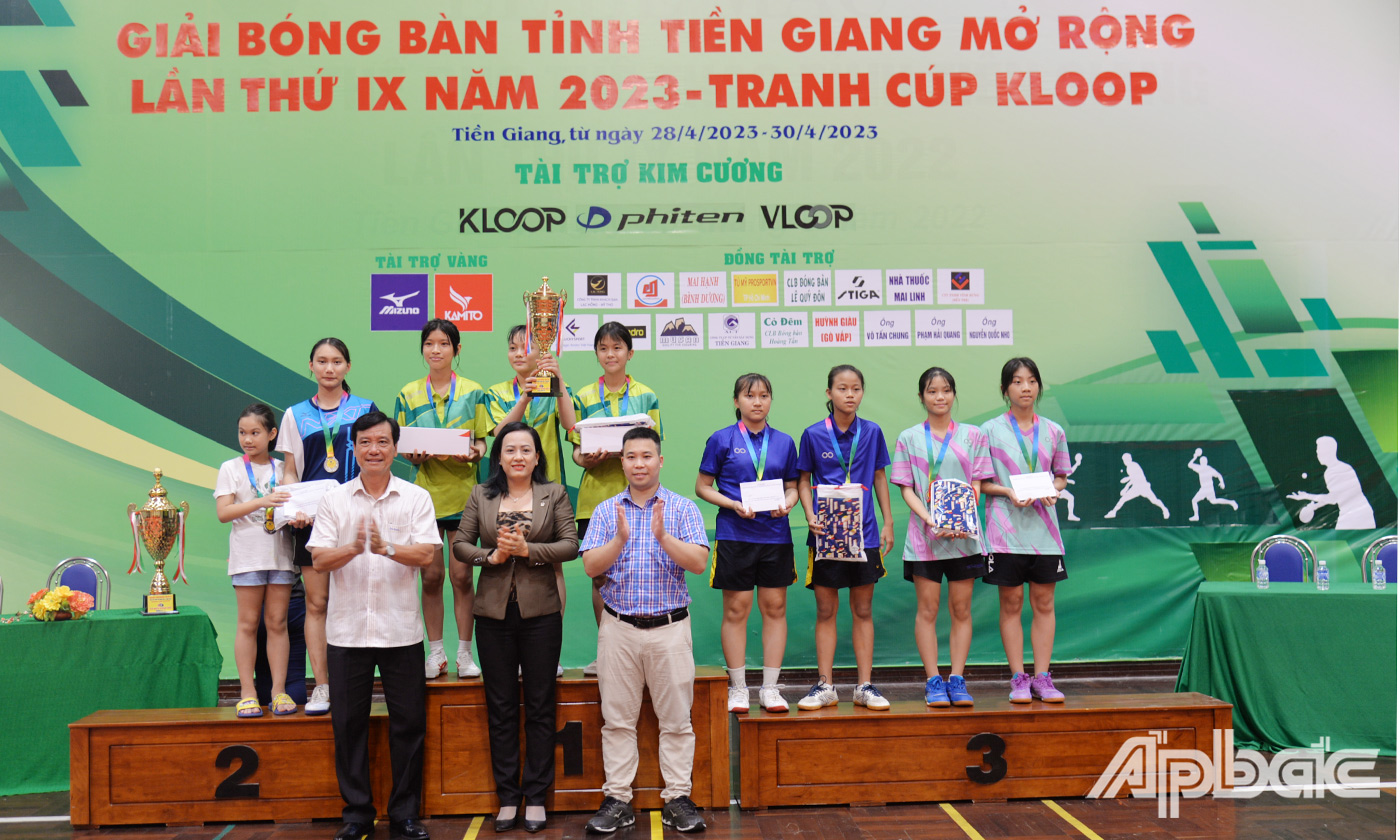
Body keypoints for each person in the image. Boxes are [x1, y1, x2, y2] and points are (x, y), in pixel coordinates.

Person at [308, 412, 438, 840]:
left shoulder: (416, 497)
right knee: (348, 725)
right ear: (354, 448)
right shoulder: (334, 500)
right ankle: (357, 814)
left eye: (383, 442)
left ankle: (405, 813)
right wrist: (353, 547)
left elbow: (426, 555)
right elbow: (319, 559)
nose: (374, 450)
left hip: (401, 632)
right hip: (347, 634)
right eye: (365, 442)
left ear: (395, 448)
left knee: (409, 725)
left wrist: (388, 548)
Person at [451, 421, 579, 834]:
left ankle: (536, 796)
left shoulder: (554, 493)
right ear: (499, 458)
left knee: (540, 707)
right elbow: (460, 544)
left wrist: (528, 550)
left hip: (541, 614)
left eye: (526, 450)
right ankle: (508, 796)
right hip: (492, 616)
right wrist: (491, 557)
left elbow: (570, 545)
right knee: (501, 707)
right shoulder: (481, 494)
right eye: (510, 450)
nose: (518, 456)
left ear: (537, 457)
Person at [580, 428, 708, 834]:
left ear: (660, 461)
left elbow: (699, 563)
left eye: (647, 456)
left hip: (670, 628)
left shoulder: (682, 508)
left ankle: (678, 799)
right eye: (632, 457)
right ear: (622, 462)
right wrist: (620, 539)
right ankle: (618, 799)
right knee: (617, 721)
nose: (639, 464)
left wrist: (663, 537)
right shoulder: (606, 511)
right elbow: (591, 566)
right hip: (619, 628)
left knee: (677, 720)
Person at [278, 337, 379, 715]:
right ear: (311, 366)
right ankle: (322, 686)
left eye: (337, 361)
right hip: (312, 522)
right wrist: (294, 509)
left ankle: (355, 684)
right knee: (317, 603)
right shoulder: (295, 414)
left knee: (356, 601)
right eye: (322, 361)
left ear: (347, 367)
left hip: (357, 517)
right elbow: (291, 470)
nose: (329, 368)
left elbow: (376, 457)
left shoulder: (365, 409)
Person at [694, 373, 799, 714]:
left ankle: (770, 688)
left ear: (770, 400)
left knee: (775, 609)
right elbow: (702, 487)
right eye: (750, 395)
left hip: (775, 536)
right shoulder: (721, 439)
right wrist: (733, 504)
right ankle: (738, 688)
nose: (757, 402)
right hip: (735, 535)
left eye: (764, 395)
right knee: (736, 610)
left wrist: (788, 503)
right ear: (736, 401)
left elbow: (793, 487)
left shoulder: (784, 442)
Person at [393, 319, 490, 680]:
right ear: (422, 349)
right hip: (424, 501)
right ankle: (435, 654)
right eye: (429, 344)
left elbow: (481, 441)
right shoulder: (408, 393)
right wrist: (412, 455)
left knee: (462, 577)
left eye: (444, 344)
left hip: (465, 498)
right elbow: (402, 446)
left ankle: (464, 654)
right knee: (431, 578)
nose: (436, 350)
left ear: (456, 349)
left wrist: (474, 453)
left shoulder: (474, 391)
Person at [795, 365, 895, 712]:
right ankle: (825, 686)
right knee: (826, 610)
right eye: (842, 388)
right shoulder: (813, 434)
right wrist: (809, 515)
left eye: (856, 388)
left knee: (863, 609)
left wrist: (887, 522)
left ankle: (864, 686)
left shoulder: (872, 431)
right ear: (829, 393)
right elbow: (803, 480)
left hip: (864, 535)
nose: (849, 394)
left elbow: (879, 476)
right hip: (826, 535)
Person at [890, 367, 992, 707]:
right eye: (932, 391)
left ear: (954, 394)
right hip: (924, 540)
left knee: (962, 609)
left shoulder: (973, 435)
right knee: (928, 610)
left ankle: (957, 680)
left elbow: (977, 482)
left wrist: (962, 517)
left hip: (964, 538)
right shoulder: (908, 438)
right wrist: (930, 519)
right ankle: (933, 681)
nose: (940, 397)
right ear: (921, 397)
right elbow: (906, 488)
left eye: (946, 390)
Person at [484, 325, 579, 677]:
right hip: (507, 491)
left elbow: (571, 426)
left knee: (552, 565)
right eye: (512, 348)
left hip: (548, 488)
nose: (518, 354)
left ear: (542, 352)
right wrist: (523, 397)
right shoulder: (496, 392)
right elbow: (498, 435)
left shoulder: (556, 388)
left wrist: (559, 380)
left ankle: (549, 653)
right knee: (508, 564)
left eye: (525, 348)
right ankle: (514, 651)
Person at [568, 321, 662, 676]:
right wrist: (587, 459)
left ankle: (640, 651)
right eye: (604, 348)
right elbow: (576, 451)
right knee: (600, 577)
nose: (611, 354)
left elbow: (653, 446)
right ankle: (606, 650)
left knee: (638, 569)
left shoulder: (647, 395)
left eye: (617, 348)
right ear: (596, 354)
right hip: (594, 500)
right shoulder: (583, 397)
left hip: (639, 499)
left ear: (630, 353)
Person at [979, 357, 1072, 704]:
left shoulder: (1053, 431)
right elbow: (981, 483)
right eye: (1017, 381)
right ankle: (1019, 678)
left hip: (1045, 533)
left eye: (1032, 381)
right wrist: (1008, 491)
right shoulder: (989, 431)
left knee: (1044, 602)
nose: (1026, 388)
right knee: (1012, 602)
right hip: (1004, 532)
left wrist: (1053, 489)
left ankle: (1043, 678)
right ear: (1005, 389)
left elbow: (1061, 476)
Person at [215, 403, 301, 718]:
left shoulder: (283, 470)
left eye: (255, 433)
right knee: (248, 623)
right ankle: (247, 693)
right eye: (242, 433)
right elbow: (224, 512)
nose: (247, 439)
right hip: (247, 558)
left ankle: (278, 691)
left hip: (281, 557)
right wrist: (262, 501)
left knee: (277, 624)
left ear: (272, 434)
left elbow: (294, 509)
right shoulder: (231, 468)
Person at [1287, 435, 1376, 528]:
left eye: (1319, 451)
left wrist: (1306, 496)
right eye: (1317, 451)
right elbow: (1339, 495)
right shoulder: (1341, 467)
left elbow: (1333, 499)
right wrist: (1315, 506)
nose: (1317, 454)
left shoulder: (1333, 471)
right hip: (1358, 513)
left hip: (1356, 515)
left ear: (1328, 451)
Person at [1104, 452, 1170, 520]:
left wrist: (1126, 487)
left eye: (1126, 459)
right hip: (1136, 488)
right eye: (1124, 460)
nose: (1125, 461)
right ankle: (1113, 512)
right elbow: (1133, 479)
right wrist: (1126, 487)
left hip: (1143, 486)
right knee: (1123, 499)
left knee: (1154, 500)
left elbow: (1135, 477)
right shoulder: (1128, 468)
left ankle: (1164, 509)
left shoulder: (1134, 465)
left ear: (1130, 459)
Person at [1187, 449, 1238, 521]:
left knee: (1194, 501)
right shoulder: (1203, 468)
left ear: (1205, 462)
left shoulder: (1205, 468)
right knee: (1213, 501)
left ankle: (1196, 516)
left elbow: (1189, 464)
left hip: (1207, 489)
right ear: (1201, 462)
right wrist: (1222, 482)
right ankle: (1231, 502)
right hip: (1206, 488)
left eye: (1203, 461)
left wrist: (1195, 457)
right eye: (1202, 461)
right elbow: (1219, 475)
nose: (1202, 462)